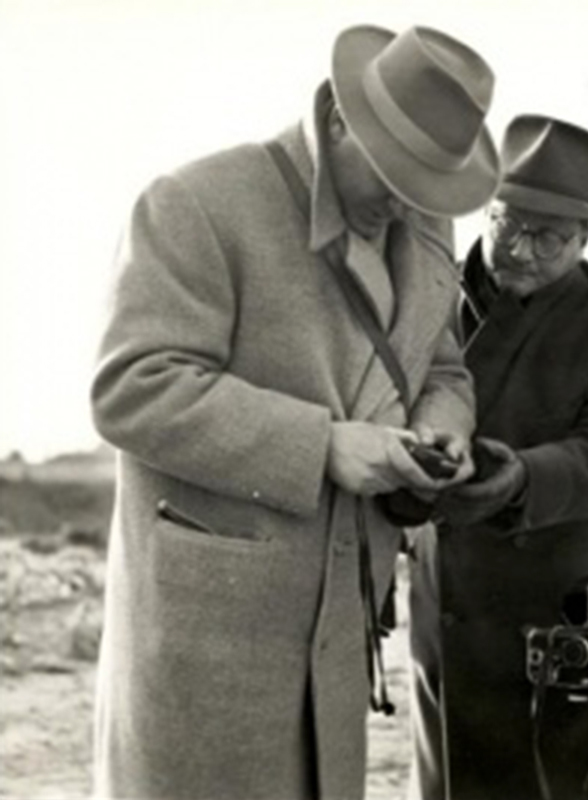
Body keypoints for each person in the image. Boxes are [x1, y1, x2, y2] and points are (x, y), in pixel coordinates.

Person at [90, 24, 499, 800]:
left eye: (429, 188)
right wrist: (323, 447)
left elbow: (442, 363)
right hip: (209, 648)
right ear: (340, 120)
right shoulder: (197, 203)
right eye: (396, 176)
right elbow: (132, 386)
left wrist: (447, 424)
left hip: (340, 626)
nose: (410, 205)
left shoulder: (422, 223)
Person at [396, 115, 588, 800]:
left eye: (549, 237)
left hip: (581, 587)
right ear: (487, 213)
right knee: (462, 777)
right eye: (507, 225)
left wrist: (520, 475)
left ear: (585, 240)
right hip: (455, 593)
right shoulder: (418, 301)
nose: (521, 250)